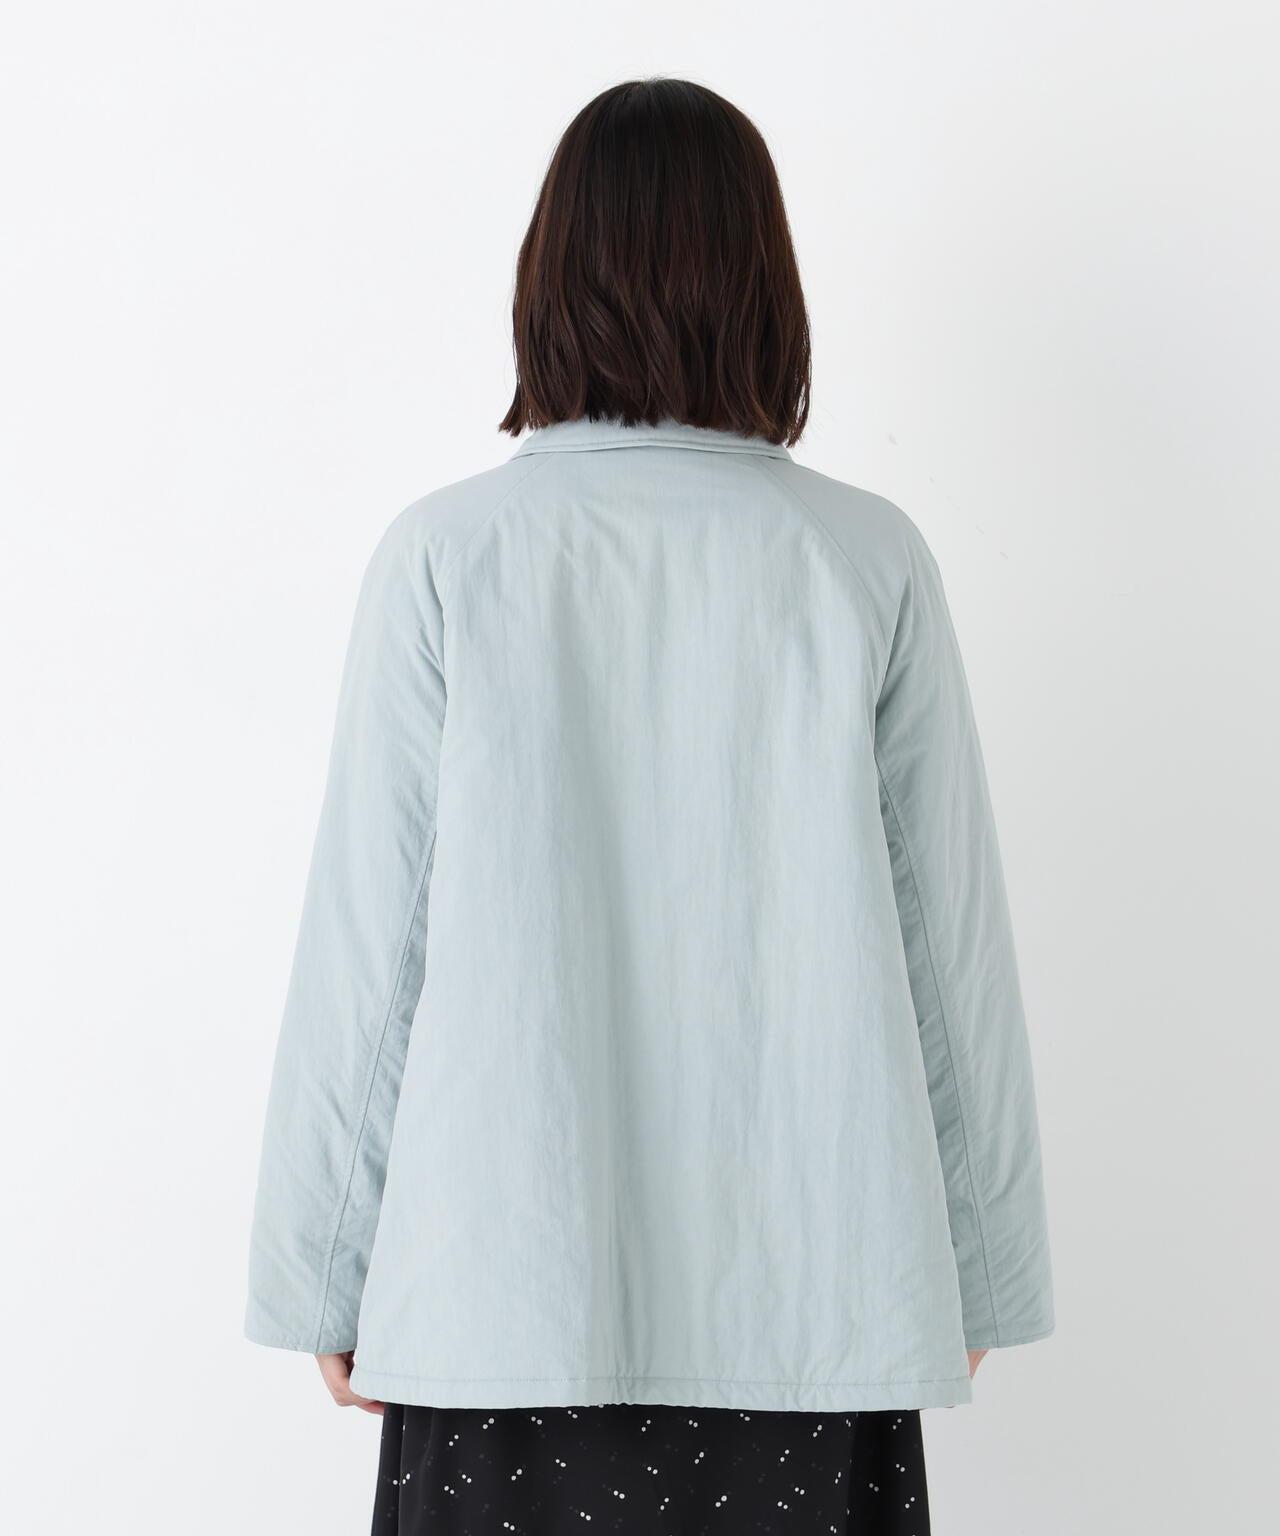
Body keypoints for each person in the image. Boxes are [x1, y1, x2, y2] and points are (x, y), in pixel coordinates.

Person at [245, 78, 1053, 1534]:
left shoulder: (446, 558)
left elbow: (375, 950)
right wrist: (981, 1270)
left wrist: (323, 1268)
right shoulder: (865, 561)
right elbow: (950, 963)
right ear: (766, 284)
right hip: (814, 1319)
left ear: (548, 279)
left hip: (500, 1311)